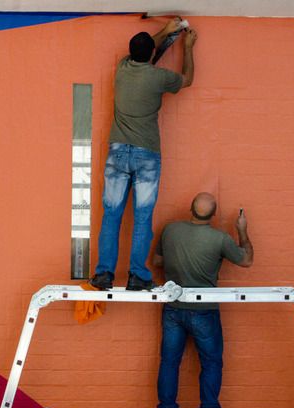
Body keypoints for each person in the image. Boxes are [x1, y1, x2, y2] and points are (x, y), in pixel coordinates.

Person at [90, 18, 198, 291]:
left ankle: (104, 274)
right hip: (146, 154)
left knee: (111, 216)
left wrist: (164, 31)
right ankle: (137, 275)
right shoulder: (159, 77)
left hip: (117, 152)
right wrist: (187, 46)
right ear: (152, 53)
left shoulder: (123, 68)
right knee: (142, 217)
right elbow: (187, 80)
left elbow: (146, 50)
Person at [153, 192, 254, 408]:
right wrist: (241, 229)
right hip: (204, 310)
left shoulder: (170, 230)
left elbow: (157, 262)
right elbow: (247, 260)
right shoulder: (220, 239)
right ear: (214, 214)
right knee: (211, 362)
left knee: (169, 362)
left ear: (190, 208)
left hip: (173, 307)